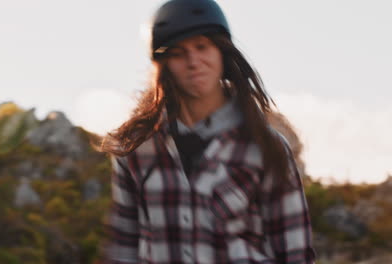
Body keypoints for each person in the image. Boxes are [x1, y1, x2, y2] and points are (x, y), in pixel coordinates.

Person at [101, 0, 316, 263]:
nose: (193, 61)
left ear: (221, 52)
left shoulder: (266, 148)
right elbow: (124, 249)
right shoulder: (135, 150)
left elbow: (296, 253)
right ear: (164, 64)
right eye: (179, 53)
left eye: (202, 47)